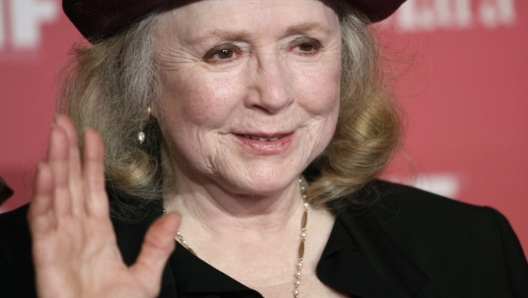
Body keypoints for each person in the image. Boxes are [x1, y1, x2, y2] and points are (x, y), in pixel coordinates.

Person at [0, 0, 527, 297]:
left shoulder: (472, 248)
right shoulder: (20, 266)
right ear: (142, 88)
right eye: (223, 53)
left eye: (305, 46)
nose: (273, 94)